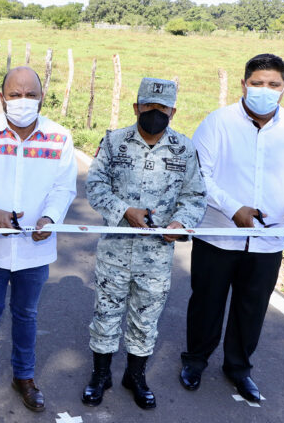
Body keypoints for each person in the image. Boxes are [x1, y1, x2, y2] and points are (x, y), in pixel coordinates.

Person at [0, 66, 78, 413]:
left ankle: (24, 376)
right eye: (15, 94)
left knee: (26, 315)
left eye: (30, 95)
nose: (22, 101)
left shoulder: (59, 138)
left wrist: (51, 217)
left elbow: (64, 187)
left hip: (34, 249)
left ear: (41, 98)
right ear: (2, 98)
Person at [180, 53, 284, 403]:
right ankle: (195, 361)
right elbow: (200, 176)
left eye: (273, 85)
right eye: (257, 83)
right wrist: (234, 209)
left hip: (269, 238)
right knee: (207, 302)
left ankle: (239, 368)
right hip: (218, 234)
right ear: (244, 84)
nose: (265, 90)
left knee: (252, 307)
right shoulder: (217, 123)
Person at [83, 78, 206, 410]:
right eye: (148, 107)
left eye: (162, 109)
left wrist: (181, 224)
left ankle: (135, 376)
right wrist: (125, 211)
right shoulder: (113, 142)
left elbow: (194, 197)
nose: (155, 114)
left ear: (173, 111)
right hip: (115, 250)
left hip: (157, 256)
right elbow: (94, 185)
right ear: (136, 107)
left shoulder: (185, 148)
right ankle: (101, 375)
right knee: (105, 314)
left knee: (146, 318)